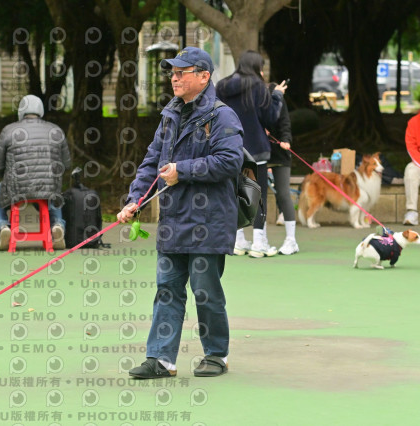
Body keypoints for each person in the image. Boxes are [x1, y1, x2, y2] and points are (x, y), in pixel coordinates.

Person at [117, 47, 244, 379]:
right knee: (167, 288)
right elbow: (151, 163)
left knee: (205, 290)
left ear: (204, 76)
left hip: (209, 221)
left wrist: (182, 170)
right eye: (172, 73)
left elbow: (230, 161)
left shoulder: (223, 116)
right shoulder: (169, 115)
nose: (174, 78)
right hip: (173, 221)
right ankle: (161, 359)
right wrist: (135, 199)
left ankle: (216, 354)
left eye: (181, 72)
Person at [215, 50, 287, 258]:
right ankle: (259, 243)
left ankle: (238, 241)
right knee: (258, 196)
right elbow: (270, 118)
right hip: (256, 149)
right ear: (257, 67)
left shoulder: (222, 86)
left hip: (228, 148)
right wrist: (277, 95)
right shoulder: (258, 86)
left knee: (235, 194)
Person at [0, 95, 71, 250]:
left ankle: (3, 227)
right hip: (48, 185)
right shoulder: (55, 130)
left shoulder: (8, 130)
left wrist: (8, 178)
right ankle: (57, 227)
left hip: (16, 186)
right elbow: (66, 164)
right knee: (54, 196)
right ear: (41, 111)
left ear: (21, 111)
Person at [266, 82, 299, 255]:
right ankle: (258, 239)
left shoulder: (276, 97)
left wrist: (286, 140)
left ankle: (291, 240)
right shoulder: (252, 96)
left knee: (284, 194)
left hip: (280, 154)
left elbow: (285, 122)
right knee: (257, 196)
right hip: (260, 153)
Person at [403, 111, 420, 226]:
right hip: (419, 162)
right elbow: (411, 147)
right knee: (410, 170)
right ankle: (411, 212)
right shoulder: (413, 122)